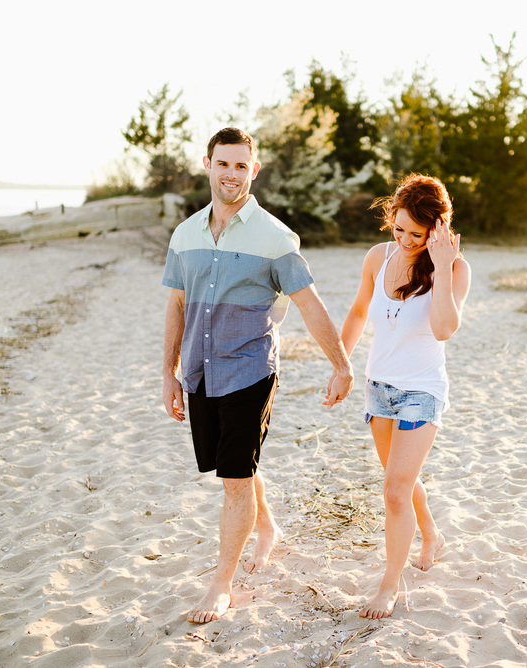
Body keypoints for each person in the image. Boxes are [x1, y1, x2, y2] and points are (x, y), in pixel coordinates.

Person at [161, 127, 354, 623]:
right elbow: (176, 304)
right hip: (201, 374)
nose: (231, 174)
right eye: (223, 164)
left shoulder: (275, 238)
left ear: (254, 169)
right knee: (237, 467)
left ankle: (220, 586)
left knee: (234, 480)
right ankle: (267, 530)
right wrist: (169, 372)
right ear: (207, 164)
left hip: (249, 370)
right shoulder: (185, 235)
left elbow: (310, 305)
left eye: (241, 165)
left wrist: (341, 364)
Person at [333, 173, 471, 619]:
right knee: (403, 484)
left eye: (418, 233)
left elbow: (444, 329)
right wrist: (341, 365)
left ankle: (389, 585)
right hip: (379, 389)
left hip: (422, 392)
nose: (407, 240)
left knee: (393, 491)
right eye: (400, 229)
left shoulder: (454, 270)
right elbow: (357, 312)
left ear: (438, 228)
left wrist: (443, 265)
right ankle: (432, 535)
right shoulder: (378, 256)